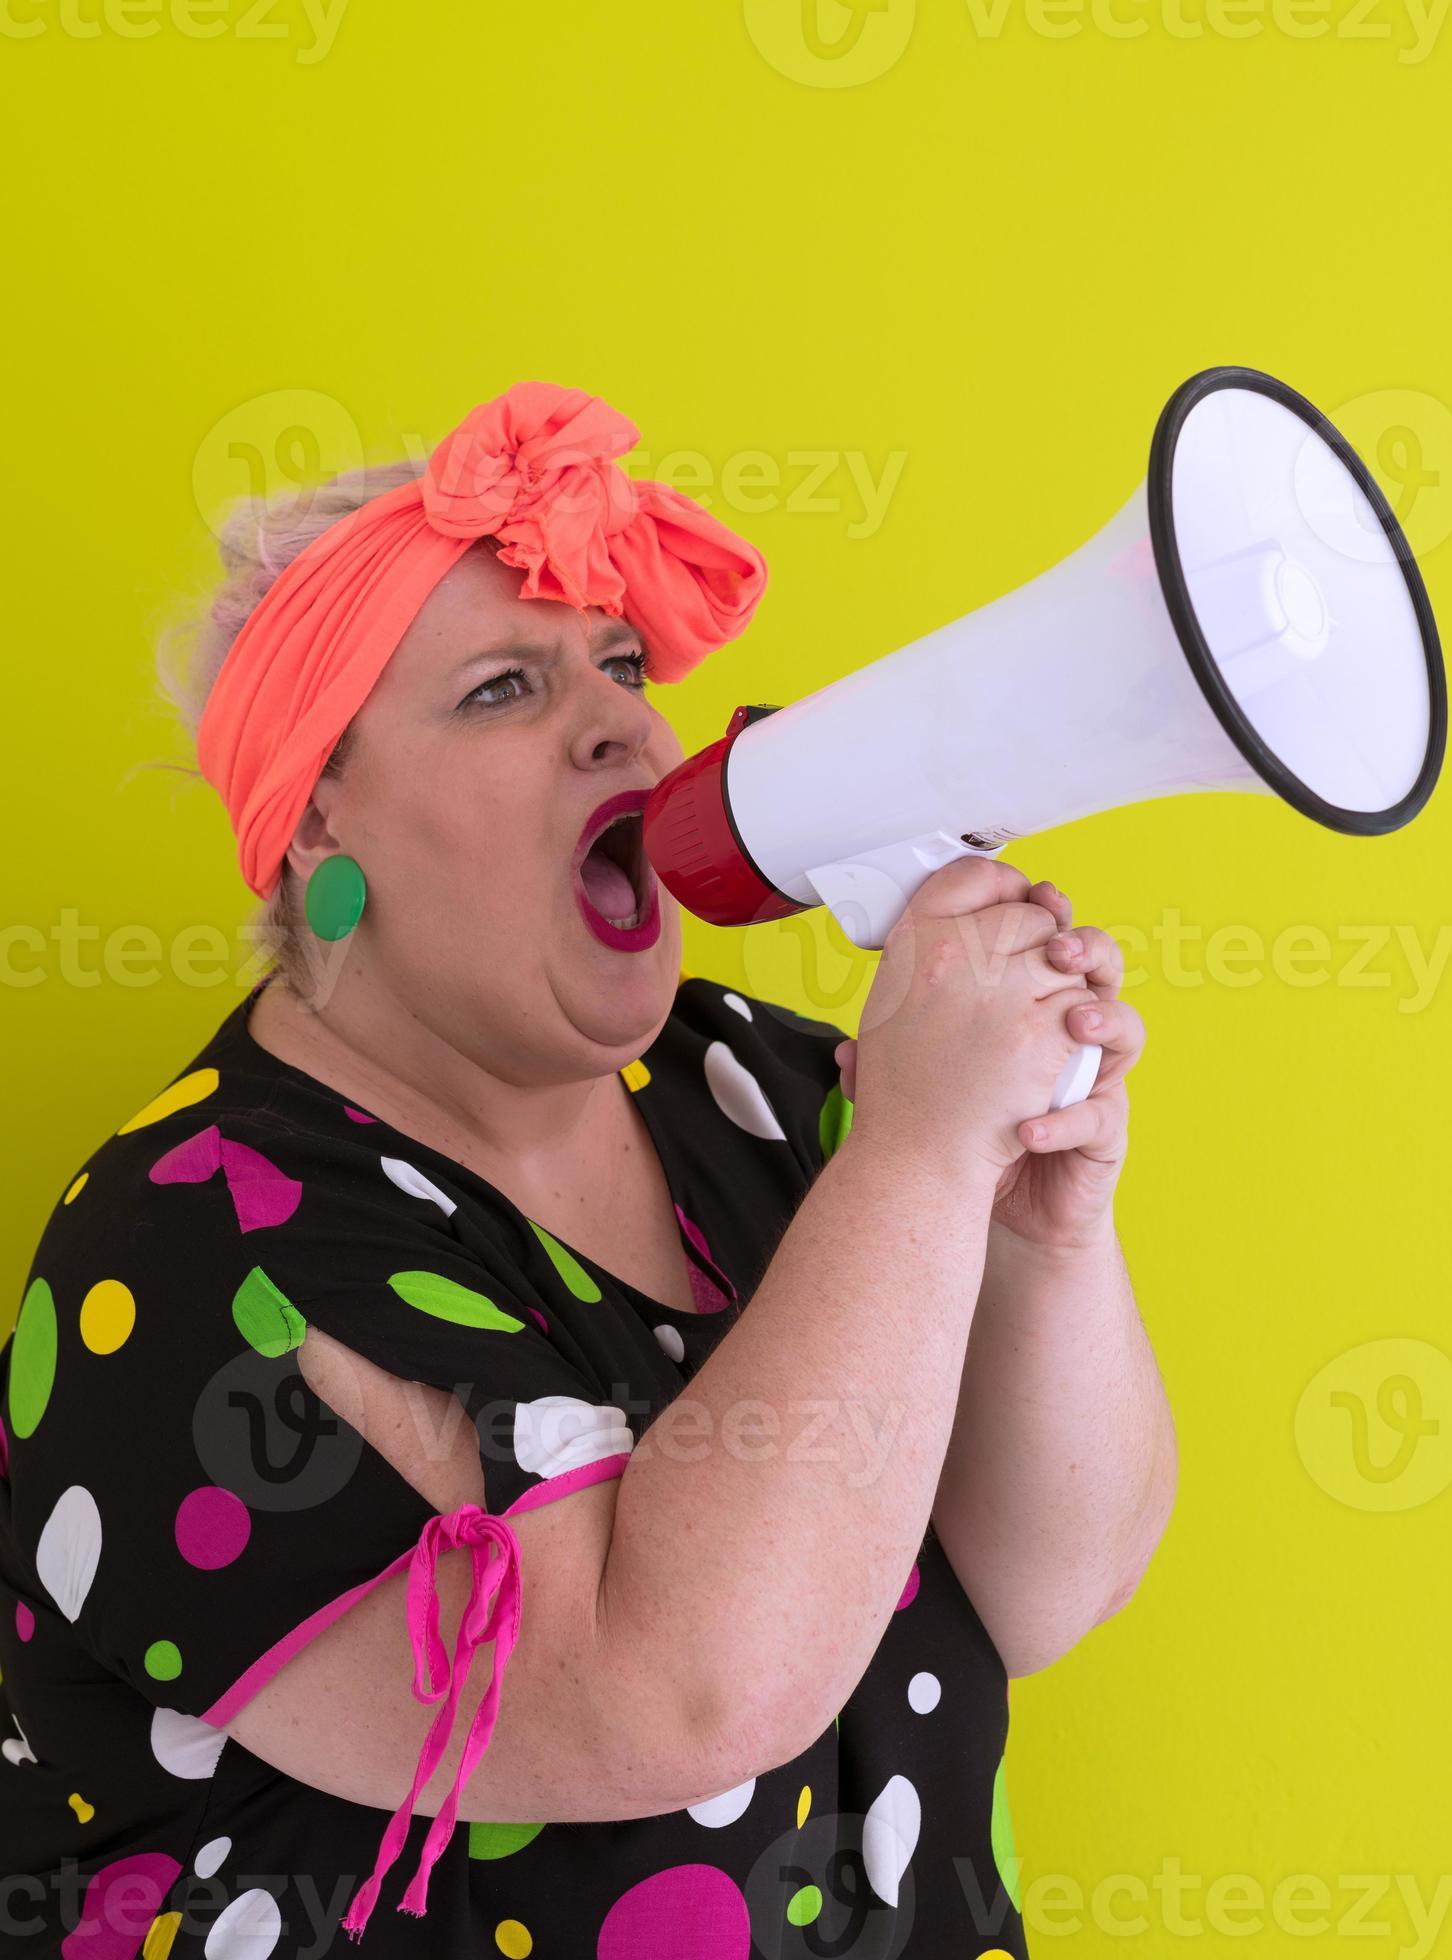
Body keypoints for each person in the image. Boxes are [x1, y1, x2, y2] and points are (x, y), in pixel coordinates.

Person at [0, 380, 1175, 1958]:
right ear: (322, 820)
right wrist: (912, 1160)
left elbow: (1048, 1584)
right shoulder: (200, 1248)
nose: (626, 722)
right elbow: (669, 1695)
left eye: (621, 664)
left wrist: (1037, 1225)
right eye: (502, 688)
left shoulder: (761, 1088)